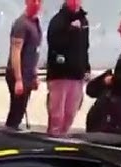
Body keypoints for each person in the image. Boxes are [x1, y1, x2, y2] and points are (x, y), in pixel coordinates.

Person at [44, 0, 90, 136]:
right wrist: (71, 31)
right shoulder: (58, 21)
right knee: (57, 113)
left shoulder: (83, 21)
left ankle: (63, 134)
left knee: (71, 111)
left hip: (77, 74)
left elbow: (85, 47)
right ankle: (53, 135)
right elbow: (54, 44)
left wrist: (86, 67)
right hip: (60, 74)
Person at [5, 0, 44, 129]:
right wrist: (18, 79)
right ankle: (8, 135)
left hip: (28, 74)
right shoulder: (21, 24)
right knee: (16, 112)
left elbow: (34, 52)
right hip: (18, 74)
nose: (36, 4)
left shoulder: (35, 23)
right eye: (33, 1)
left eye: (39, 1)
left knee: (20, 111)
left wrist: (34, 75)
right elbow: (15, 52)